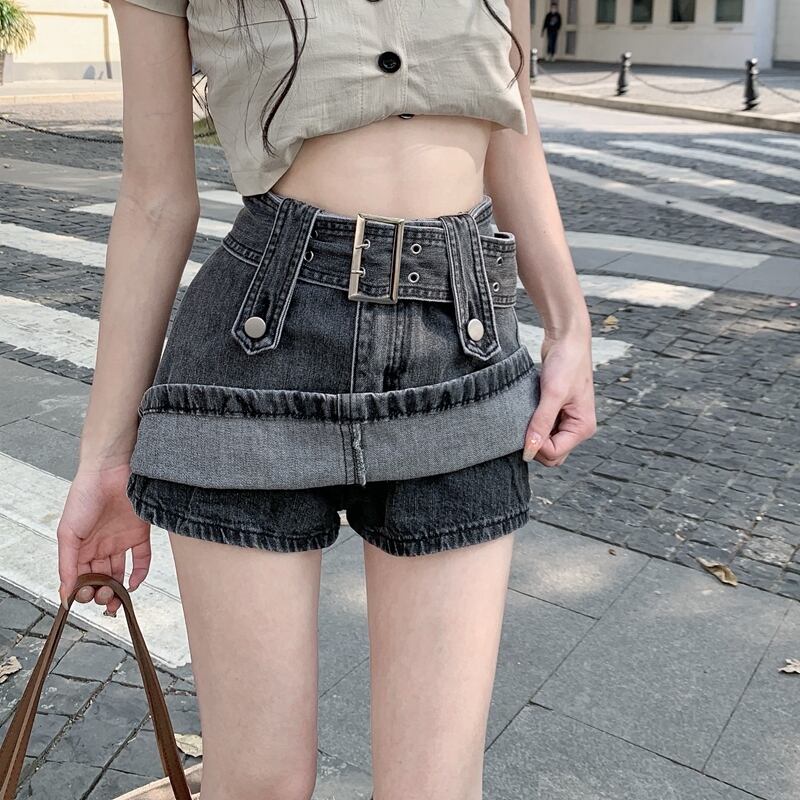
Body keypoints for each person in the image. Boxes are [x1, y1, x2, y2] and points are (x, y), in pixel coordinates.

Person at [57, 1, 595, 798]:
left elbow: (512, 129)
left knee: (436, 788)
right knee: (260, 785)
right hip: (259, 342)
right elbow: (154, 199)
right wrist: (106, 458)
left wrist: (570, 326)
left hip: (461, 341)